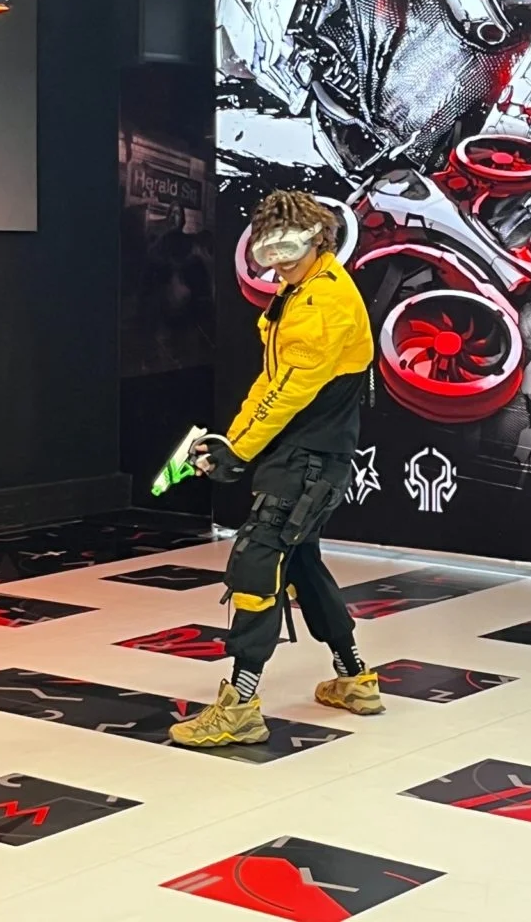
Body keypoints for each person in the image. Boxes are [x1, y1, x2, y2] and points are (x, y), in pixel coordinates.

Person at [169, 190, 384, 749]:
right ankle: (355, 678)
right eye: (270, 253)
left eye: (289, 251)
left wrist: (239, 450)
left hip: (309, 459)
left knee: (258, 562)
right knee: (301, 560)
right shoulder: (304, 289)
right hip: (308, 455)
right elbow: (272, 381)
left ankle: (240, 706)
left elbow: (289, 390)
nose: (279, 264)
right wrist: (233, 441)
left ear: (319, 240)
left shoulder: (320, 302)